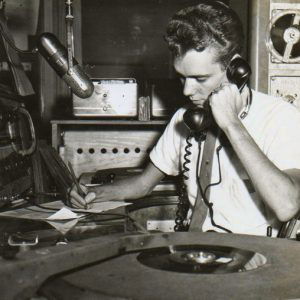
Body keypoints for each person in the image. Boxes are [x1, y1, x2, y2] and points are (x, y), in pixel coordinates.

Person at [69, 0, 300, 237]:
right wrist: (93, 193)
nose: (187, 91)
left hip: (254, 257)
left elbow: (287, 206)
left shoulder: (281, 118)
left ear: (235, 68)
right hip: (196, 250)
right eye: (182, 77)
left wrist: (231, 124)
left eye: (200, 79)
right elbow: (143, 184)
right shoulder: (185, 118)